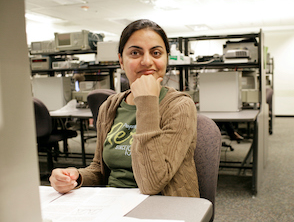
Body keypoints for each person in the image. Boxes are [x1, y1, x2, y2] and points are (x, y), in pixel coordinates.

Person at [49, 19, 200, 198]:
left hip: (163, 204)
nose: (146, 61)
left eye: (156, 53)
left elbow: (152, 183)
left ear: (166, 58)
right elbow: (100, 168)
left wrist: (147, 103)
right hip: (114, 202)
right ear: (121, 60)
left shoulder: (179, 106)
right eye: (135, 53)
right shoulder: (110, 106)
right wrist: (76, 176)